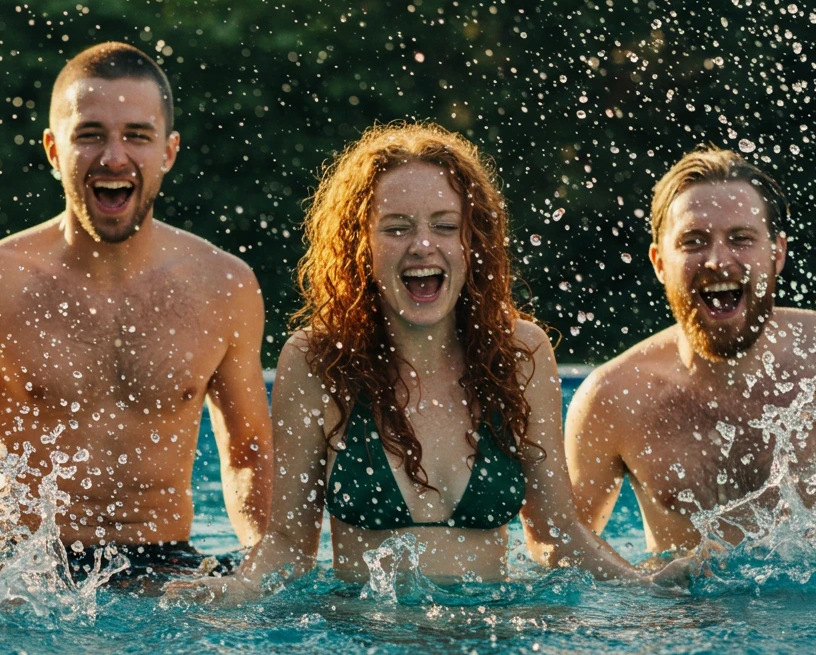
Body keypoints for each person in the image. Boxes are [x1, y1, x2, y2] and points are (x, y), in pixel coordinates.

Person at [170, 122, 640, 603]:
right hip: (365, 643)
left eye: (445, 225)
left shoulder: (522, 355)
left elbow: (558, 537)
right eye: (396, 228)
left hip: (496, 644)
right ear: (361, 246)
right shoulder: (317, 361)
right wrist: (236, 591)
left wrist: (645, 587)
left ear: (472, 242)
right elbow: (290, 548)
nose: (422, 245)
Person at [0, 42, 272, 585]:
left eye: (137, 135)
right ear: (52, 150)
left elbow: (250, 453)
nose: (114, 157)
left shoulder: (224, 284)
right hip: (24, 572)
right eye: (90, 135)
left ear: (168, 152)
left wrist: (257, 573)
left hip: (169, 566)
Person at [566, 148, 816, 555]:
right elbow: (561, 553)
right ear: (659, 262)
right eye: (694, 241)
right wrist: (645, 586)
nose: (718, 261)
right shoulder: (613, 398)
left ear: (778, 254)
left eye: (741, 239)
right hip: (684, 617)